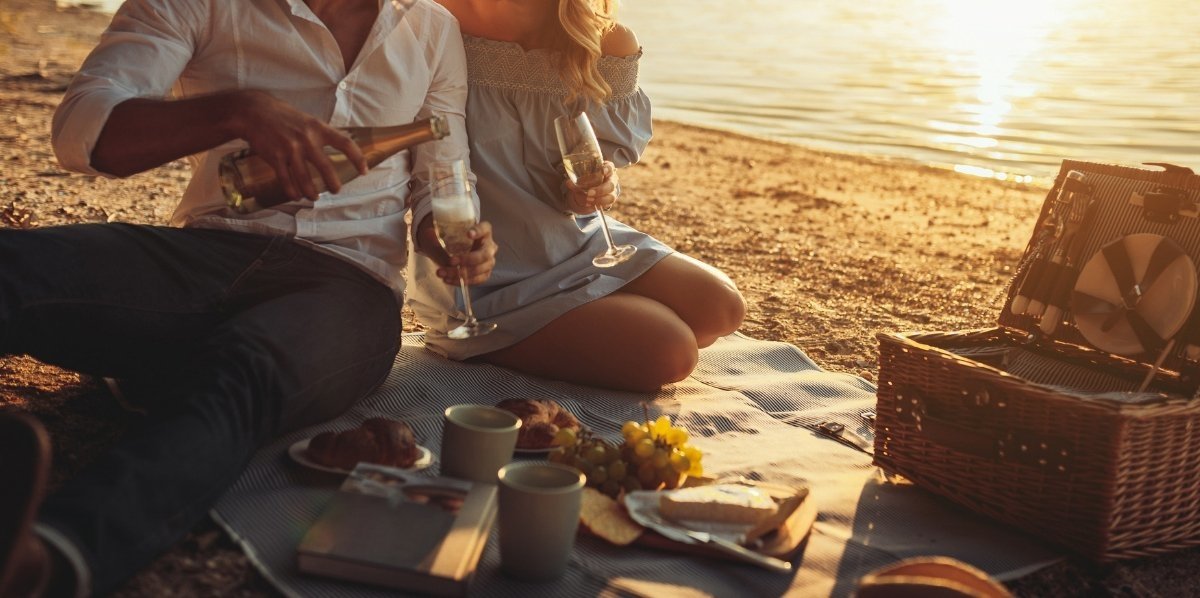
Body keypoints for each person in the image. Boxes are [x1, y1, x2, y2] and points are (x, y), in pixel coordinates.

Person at [0, 0, 496, 595]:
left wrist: (443, 240)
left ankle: (51, 557)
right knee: (17, 266)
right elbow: (82, 131)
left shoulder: (433, 28)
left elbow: (437, 182)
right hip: (206, 252)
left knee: (244, 373)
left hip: (349, 283)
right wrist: (236, 111)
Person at [407, 0, 745, 392]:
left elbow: (597, 163)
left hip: (578, 241)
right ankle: (482, 339)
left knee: (721, 308)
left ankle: (588, 315)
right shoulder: (432, 22)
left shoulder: (602, 39)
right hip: (485, 275)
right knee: (672, 351)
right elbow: (419, 162)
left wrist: (602, 186)